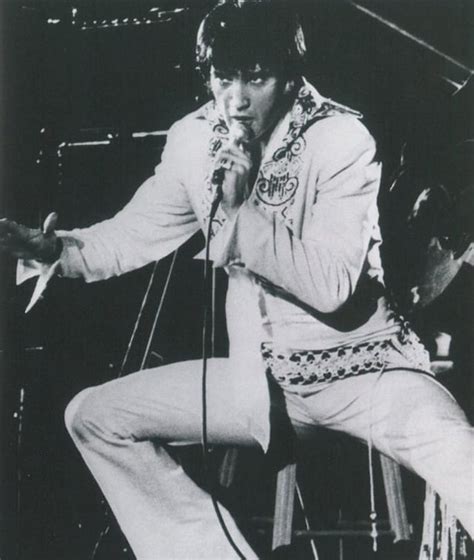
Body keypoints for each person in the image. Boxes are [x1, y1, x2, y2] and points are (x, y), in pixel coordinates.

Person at [1, 2, 472, 559]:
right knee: (93, 417)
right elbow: (131, 236)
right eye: (224, 77)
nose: (237, 98)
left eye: (256, 77)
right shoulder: (194, 138)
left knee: (458, 455)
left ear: (290, 77)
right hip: (260, 387)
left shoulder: (342, 139)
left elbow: (333, 285)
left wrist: (243, 211)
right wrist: (55, 248)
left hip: (364, 372)